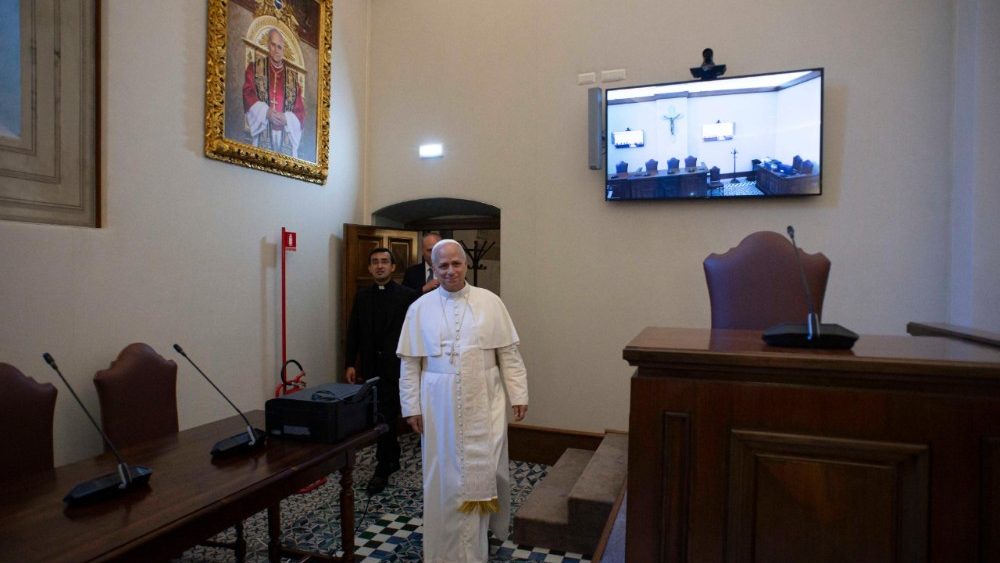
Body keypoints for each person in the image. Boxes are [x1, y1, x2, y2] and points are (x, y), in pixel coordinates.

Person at [397, 239, 528, 562]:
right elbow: (410, 364)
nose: (450, 271)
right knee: (443, 477)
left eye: (456, 264)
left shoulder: (491, 302)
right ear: (434, 268)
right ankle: (442, 552)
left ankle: (476, 548)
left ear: (466, 264)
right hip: (438, 404)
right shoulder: (419, 308)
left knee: (482, 471)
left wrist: (519, 393)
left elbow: (508, 354)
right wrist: (410, 406)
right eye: (443, 266)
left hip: (485, 398)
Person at [345, 247, 418, 494]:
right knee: (382, 416)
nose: (379, 266)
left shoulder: (408, 296)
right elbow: (353, 331)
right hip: (372, 367)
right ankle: (385, 463)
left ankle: (388, 461)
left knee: (395, 413)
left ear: (393, 267)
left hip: (400, 366)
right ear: (369, 268)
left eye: (384, 262)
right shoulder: (362, 297)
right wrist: (350, 363)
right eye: (375, 262)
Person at [242, 28, 306, 158]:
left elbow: (300, 113)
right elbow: (248, 94)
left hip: (284, 135)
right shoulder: (255, 69)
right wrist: (266, 112)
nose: (276, 50)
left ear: (283, 50)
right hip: (262, 132)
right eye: (273, 45)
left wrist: (287, 119)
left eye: (280, 47)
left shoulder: (293, 81)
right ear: (268, 45)